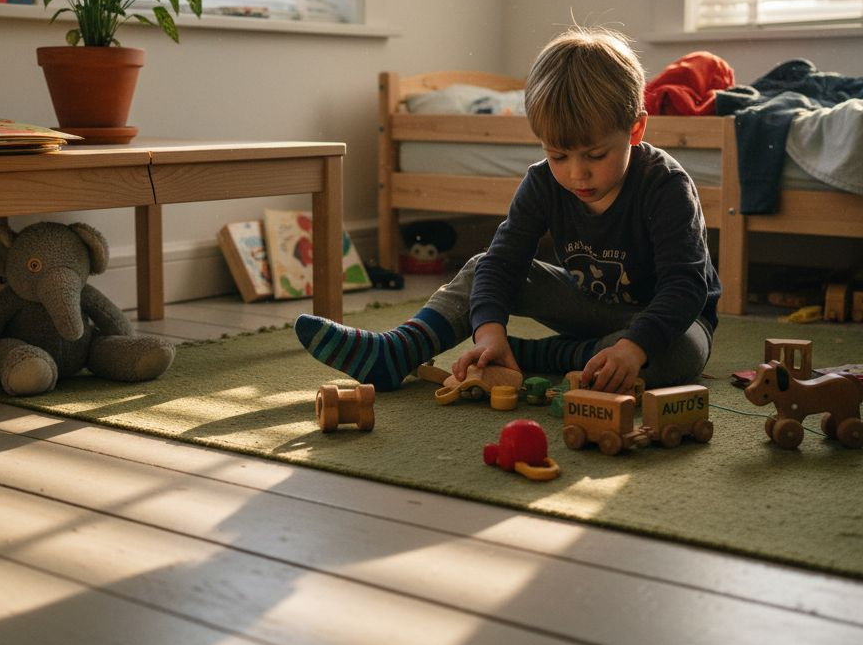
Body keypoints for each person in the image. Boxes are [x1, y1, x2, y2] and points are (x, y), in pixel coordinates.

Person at [295, 25, 720, 393]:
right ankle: (401, 349)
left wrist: (632, 348)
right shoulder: (541, 183)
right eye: (559, 156)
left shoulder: (665, 185)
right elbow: (503, 263)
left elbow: (686, 286)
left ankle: (538, 356)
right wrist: (489, 331)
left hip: (672, 319)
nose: (577, 175)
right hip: (592, 310)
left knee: (678, 357)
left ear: (635, 129)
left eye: (594, 155)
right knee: (483, 266)